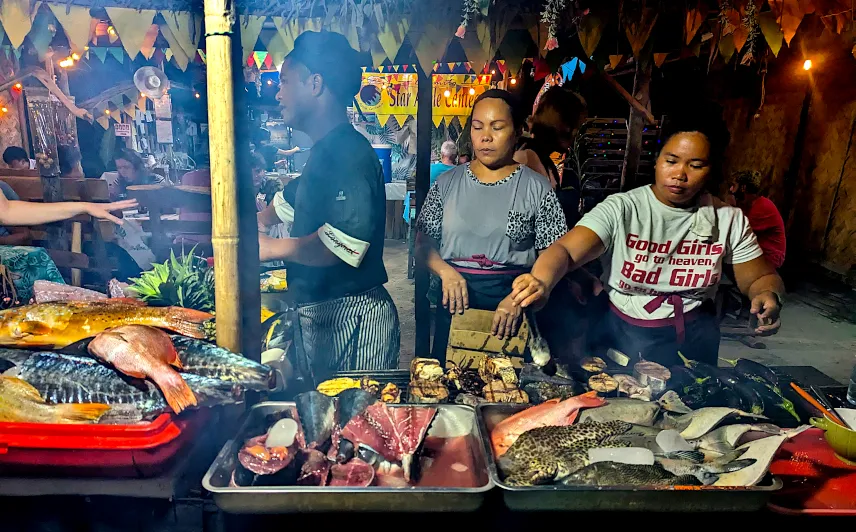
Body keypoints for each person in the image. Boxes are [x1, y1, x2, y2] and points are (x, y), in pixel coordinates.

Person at [510, 106, 785, 367]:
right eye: (671, 161)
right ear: (657, 160)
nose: (680, 174)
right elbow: (566, 251)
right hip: (621, 334)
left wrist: (767, 294)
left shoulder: (727, 219)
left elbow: (760, 277)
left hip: (692, 339)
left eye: (696, 165)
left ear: (712, 170)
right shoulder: (623, 208)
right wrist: (541, 281)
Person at [256, 30, 399, 379]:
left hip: (353, 316)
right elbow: (285, 205)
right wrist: (252, 223)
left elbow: (344, 245)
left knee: (356, 426)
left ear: (315, 84)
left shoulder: (349, 153)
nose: (278, 92)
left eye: (286, 81)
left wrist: (271, 246)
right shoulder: (321, 152)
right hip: (318, 313)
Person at [415, 89, 568, 361]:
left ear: (518, 130)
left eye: (497, 127)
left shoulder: (537, 188)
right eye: (477, 127)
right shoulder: (446, 185)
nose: (485, 136)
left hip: (512, 306)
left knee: (508, 392)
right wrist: (445, 273)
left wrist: (523, 296)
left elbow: (555, 253)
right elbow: (423, 243)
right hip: (454, 303)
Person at [515, 86, 587, 191]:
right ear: (564, 126)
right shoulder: (527, 159)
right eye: (576, 125)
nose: (577, 133)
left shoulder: (541, 159)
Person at [728, 170, 786, 270]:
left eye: (734, 185)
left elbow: (735, 234)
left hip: (769, 258)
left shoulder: (761, 207)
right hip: (756, 253)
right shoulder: (746, 205)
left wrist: (729, 205)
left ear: (743, 188)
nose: (731, 189)